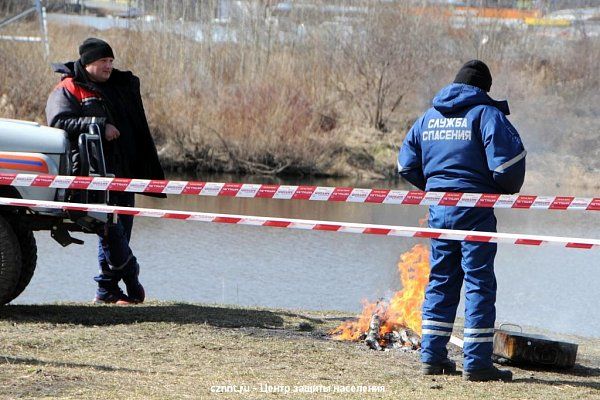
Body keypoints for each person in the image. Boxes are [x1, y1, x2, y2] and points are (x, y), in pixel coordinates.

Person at [398, 60, 526, 382]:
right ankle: (477, 363)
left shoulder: (429, 117)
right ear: (484, 88)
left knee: (441, 280)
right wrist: (493, 189)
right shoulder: (486, 115)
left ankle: (432, 356)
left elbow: (405, 164)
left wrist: (435, 186)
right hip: (474, 209)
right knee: (478, 283)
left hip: (440, 210)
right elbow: (509, 167)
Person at [46, 38, 165, 305]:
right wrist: (100, 125)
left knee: (121, 229)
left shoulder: (115, 88)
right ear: (88, 63)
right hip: (92, 173)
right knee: (111, 230)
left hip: (123, 172)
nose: (109, 66)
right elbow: (58, 121)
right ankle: (131, 281)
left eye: (111, 61)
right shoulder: (69, 88)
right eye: (103, 61)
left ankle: (107, 290)